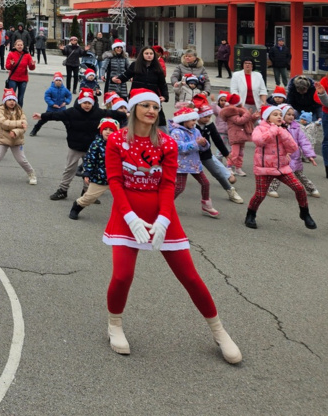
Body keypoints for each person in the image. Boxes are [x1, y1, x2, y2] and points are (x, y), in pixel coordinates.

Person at [102, 88, 241, 364]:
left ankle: (219, 331)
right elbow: (115, 181)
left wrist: (164, 218)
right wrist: (129, 217)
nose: (152, 111)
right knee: (122, 276)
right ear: (133, 110)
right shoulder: (116, 140)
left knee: (189, 276)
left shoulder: (167, 143)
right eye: (146, 106)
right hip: (126, 213)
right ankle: (114, 324)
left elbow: (167, 183)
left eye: (156, 106)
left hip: (162, 214)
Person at [36, 89, 126, 201]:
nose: (87, 105)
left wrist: (125, 114)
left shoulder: (98, 112)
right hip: (75, 147)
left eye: (89, 103)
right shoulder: (71, 112)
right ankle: (63, 190)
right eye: (85, 103)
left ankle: (87, 193)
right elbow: (57, 115)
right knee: (70, 169)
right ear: (80, 102)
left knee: (91, 170)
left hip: (91, 148)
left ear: (92, 103)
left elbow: (112, 113)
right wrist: (42, 116)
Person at [243, 105, 314, 230]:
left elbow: (293, 147)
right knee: (260, 195)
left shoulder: (283, 130)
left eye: (280, 115)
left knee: (299, 188)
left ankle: (304, 213)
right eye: (275, 115)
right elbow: (258, 141)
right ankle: (250, 215)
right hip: (264, 168)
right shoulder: (259, 129)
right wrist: (273, 130)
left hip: (282, 167)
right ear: (268, 117)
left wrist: (282, 132)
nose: (279, 117)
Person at [0, 88, 37, 185]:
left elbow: (24, 125)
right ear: (5, 101)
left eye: (13, 100)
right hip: (4, 138)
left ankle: (31, 174)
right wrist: (19, 123)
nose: (12, 102)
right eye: (9, 100)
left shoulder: (19, 111)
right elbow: (3, 123)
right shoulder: (1, 110)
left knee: (22, 160)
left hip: (16, 139)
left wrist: (15, 131)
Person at [169, 103, 219, 218]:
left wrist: (204, 143)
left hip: (195, 163)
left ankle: (206, 205)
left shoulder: (195, 130)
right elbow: (178, 148)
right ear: (184, 120)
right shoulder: (176, 132)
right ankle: (166, 205)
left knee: (205, 183)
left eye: (195, 120)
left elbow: (203, 147)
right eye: (192, 120)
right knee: (180, 187)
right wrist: (195, 143)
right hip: (182, 165)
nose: (194, 122)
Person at [68, 117, 120, 220]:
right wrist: (87, 172)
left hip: (117, 177)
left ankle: (128, 217)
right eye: (106, 129)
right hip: (100, 177)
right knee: (90, 197)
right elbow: (89, 159)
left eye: (111, 130)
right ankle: (76, 206)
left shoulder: (120, 144)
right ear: (101, 130)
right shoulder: (96, 144)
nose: (108, 132)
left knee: (126, 198)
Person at [112, 47, 169, 124]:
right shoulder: (135, 65)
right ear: (142, 54)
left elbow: (163, 84)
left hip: (152, 97)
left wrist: (165, 96)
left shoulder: (158, 67)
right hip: (137, 97)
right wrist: (118, 79)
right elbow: (126, 75)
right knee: (136, 118)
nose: (149, 55)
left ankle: (159, 134)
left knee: (157, 120)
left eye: (151, 54)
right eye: (146, 53)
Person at [4, 39, 36, 107]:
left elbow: (31, 68)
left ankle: (19, 112)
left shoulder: (27, 55)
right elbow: (7, 67)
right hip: (13, 78)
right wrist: (11, 64)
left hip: (23, 79)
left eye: (21, 45)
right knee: (12, 97)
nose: (20, 46)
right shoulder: (11, 54)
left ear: (23, 46)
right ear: (15, 46)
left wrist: (32, 65)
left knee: (20, 98)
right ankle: (11, 112)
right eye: (18, 45)